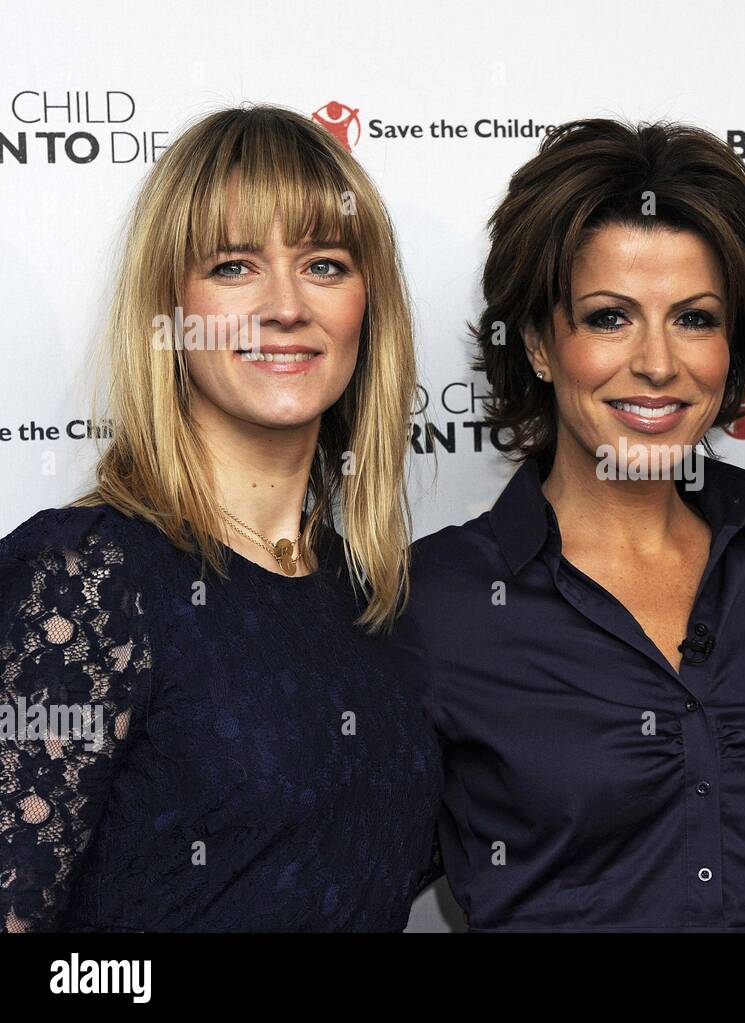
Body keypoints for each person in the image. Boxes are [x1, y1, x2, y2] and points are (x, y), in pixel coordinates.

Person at [390, 118, 745, 931]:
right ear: (537, 340)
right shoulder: (438, 601)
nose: (659, 363)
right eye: (609, 317)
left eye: (696, 319)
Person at [0, 105, 439, 931]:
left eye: (325, 264)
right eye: (235, 266)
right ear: (170, 310)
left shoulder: (368, 592)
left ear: (365, 306)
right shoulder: (88, 578)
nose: (285, 306)